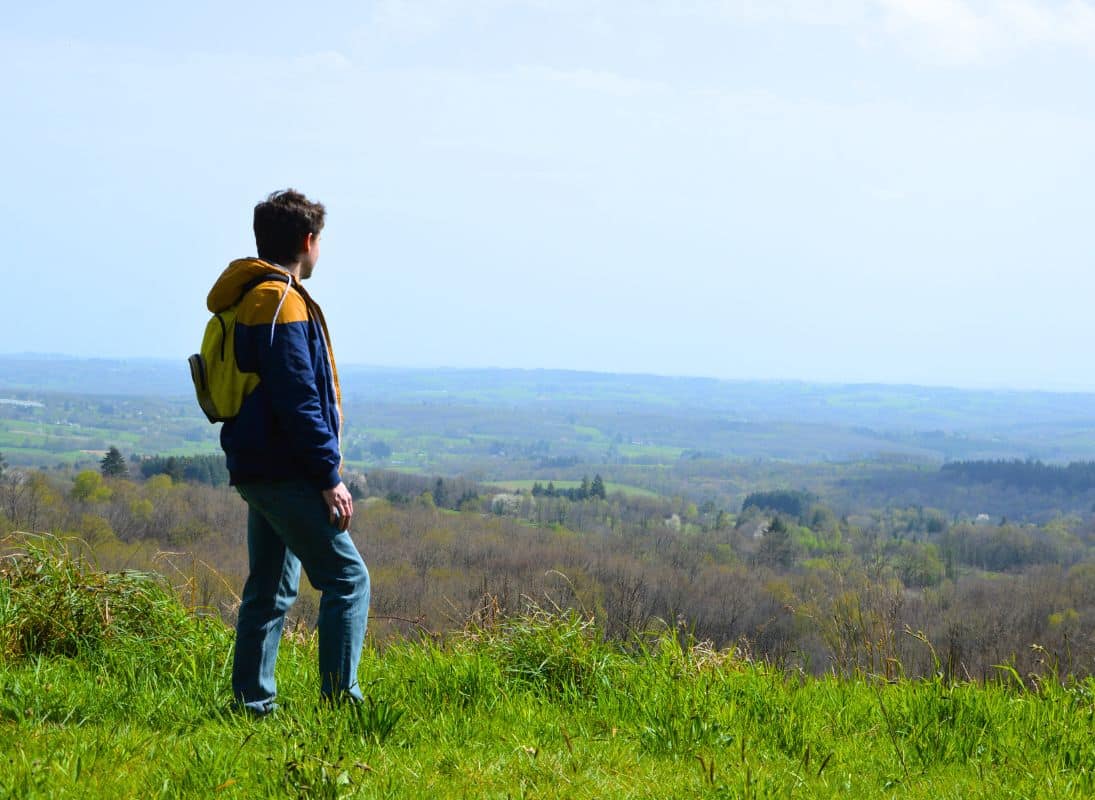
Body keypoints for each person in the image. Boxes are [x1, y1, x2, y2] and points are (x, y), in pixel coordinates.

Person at [205, 189, 369, 715]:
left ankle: (251, 705)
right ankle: (341, 705)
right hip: (285, 469)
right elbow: (298, 400)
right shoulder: (282, 302)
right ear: (307, 240)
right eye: (320, 240)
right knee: (347, 579)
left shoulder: (255, 296)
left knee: (271, 588)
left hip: (259, 466)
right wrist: (328, 476)